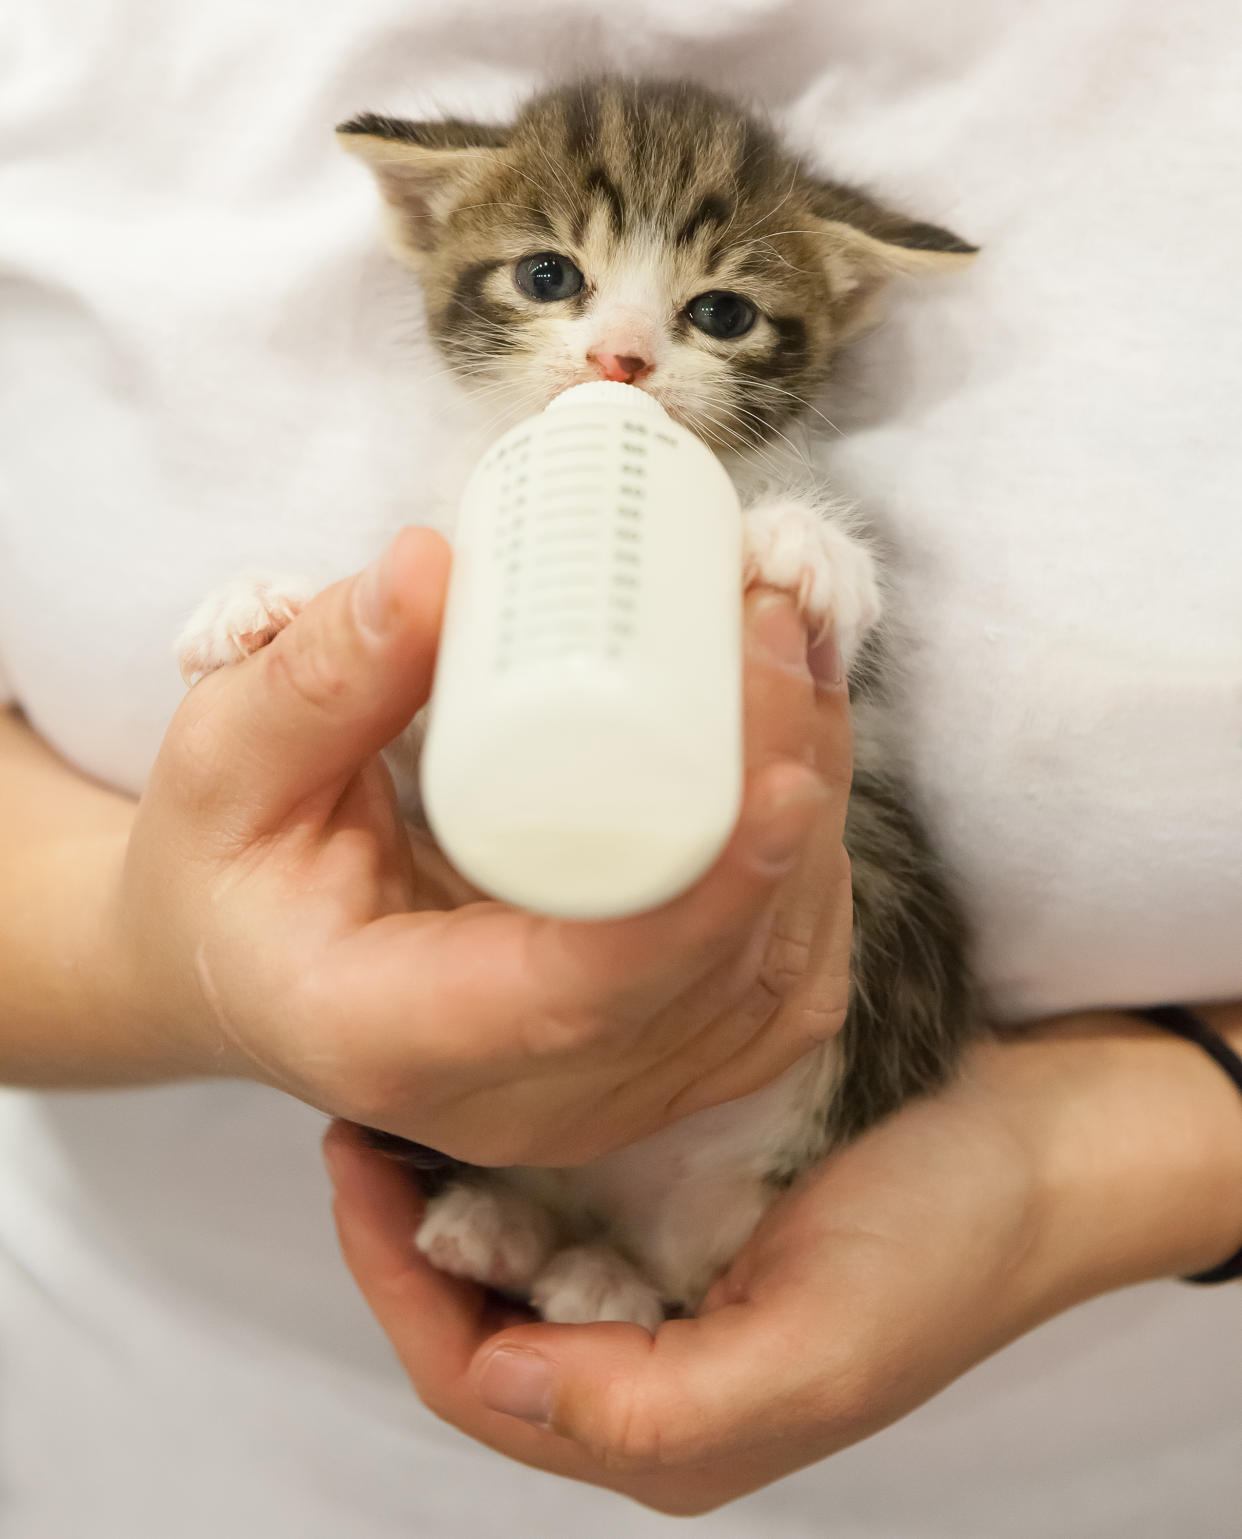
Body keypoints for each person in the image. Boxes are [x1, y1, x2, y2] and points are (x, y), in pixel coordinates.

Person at [1, 2, 1239, 1536]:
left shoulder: (773, 514)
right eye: (551, 279)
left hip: (1074, 1447)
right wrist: (165, 941)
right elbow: (397, 724)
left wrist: (1062, 1180)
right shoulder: (455, 492)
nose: (618, 352)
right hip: (161, 1412)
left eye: (717, 315)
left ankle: (672, 1242)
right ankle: (565, 1216)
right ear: (431, 230)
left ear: (822, 315)